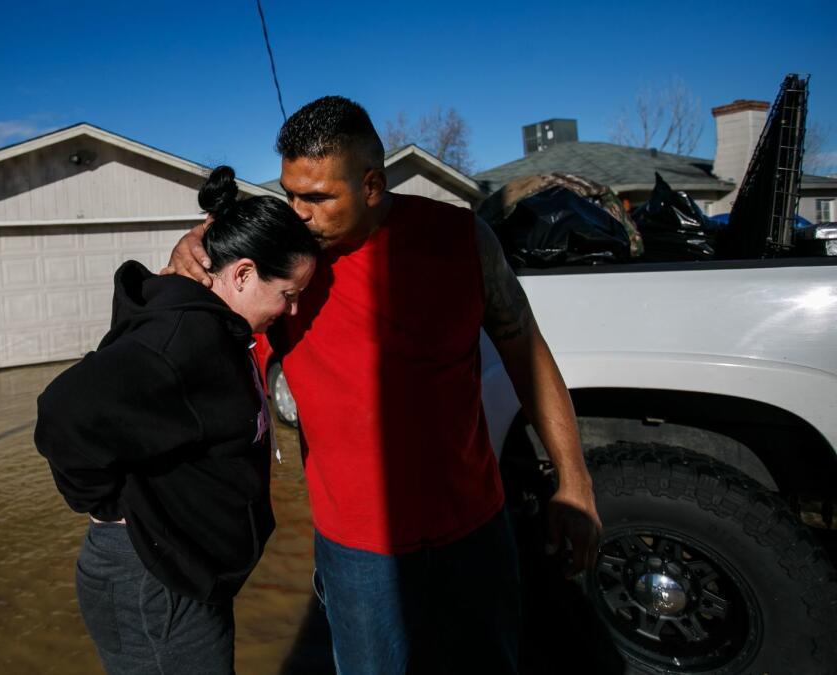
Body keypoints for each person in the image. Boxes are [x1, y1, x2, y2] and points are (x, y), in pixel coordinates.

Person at [164, 96, 602, 674]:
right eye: (291, 193)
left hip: (475, 530)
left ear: (371, 185)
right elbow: (177, 350)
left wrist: (573, 481)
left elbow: (527, 351)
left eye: (317, 197)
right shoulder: (280, 268)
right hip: (358, 553)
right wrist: (180, 270)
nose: (298, 213)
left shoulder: (461, 239)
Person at [35, 165, 319, 675]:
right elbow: (64, 414)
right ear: (244, 273)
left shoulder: (214, 327)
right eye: (289, 295)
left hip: (182, 574)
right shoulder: (182, 340)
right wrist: (109, 506)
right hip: (154, 581)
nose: (293, 311)